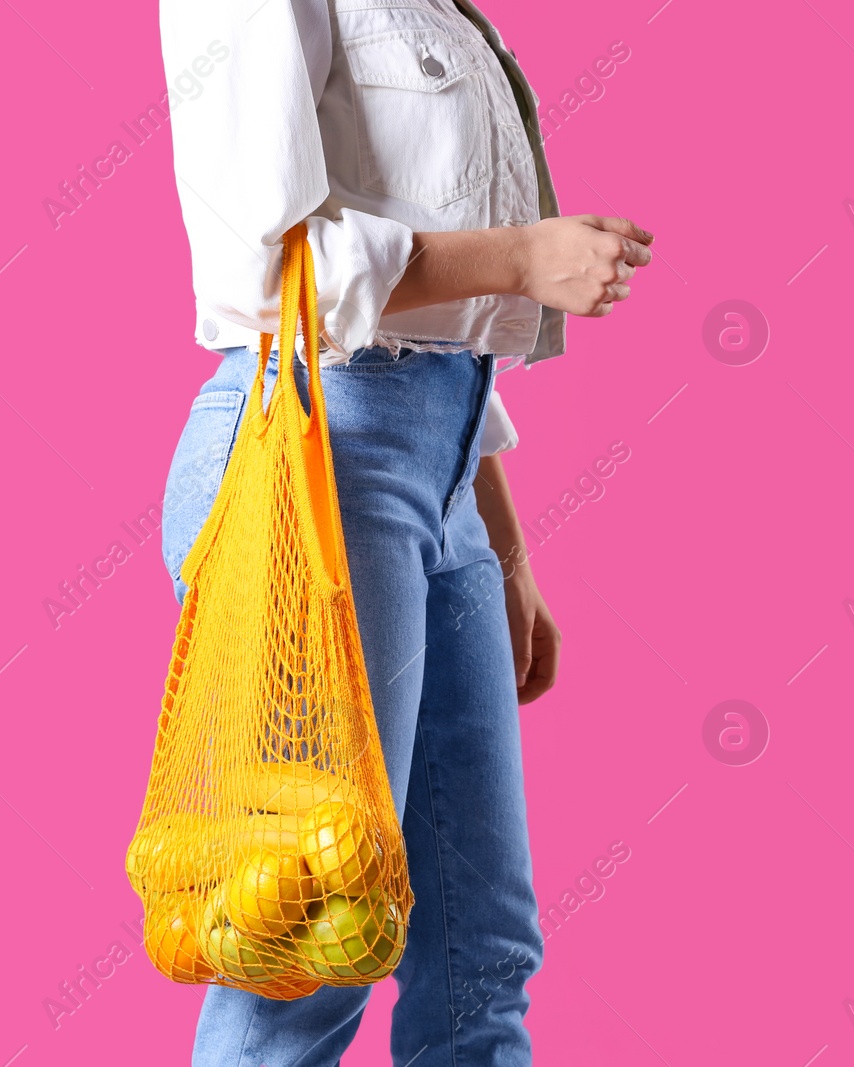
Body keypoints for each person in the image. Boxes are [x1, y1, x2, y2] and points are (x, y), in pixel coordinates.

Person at [157, 2, 652, 1064]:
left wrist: (501, 545)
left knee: (480, 951)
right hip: (311, 461)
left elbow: (435, 349)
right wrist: (521, 258)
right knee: (304, 946)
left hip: (443, 475)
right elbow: (268, 255)